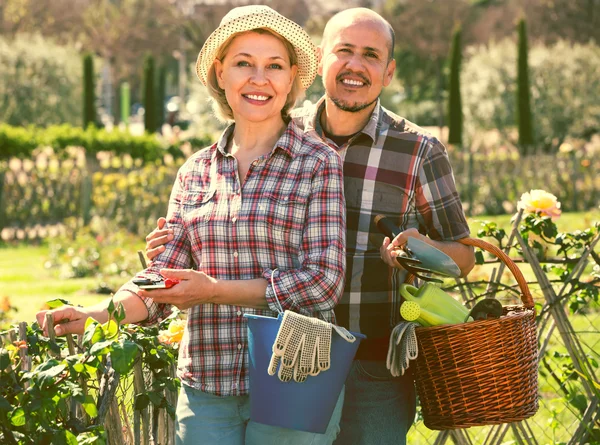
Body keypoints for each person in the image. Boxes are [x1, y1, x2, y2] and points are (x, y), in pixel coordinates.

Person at [145, 7, 475, 445]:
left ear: (388, 71)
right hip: (285, 353)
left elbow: (465, 254)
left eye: (371, 55)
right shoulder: (277, 127)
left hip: (372, 361)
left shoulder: (417, 150)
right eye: (345, 51)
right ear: (320, 61)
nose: (356, 65)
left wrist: (417, 250)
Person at [37, 6, 348, 445]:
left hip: (295, 373)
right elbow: (164, 279)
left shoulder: (317, 163)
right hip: (208, 380)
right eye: (244, 63)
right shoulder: (196, 171)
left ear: (291, 78)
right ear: (221, 73)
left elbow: (324, 282)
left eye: (274, 66)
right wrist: (95, 315)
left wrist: (216, 290)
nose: (259, 78)